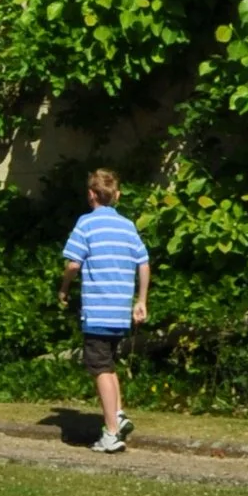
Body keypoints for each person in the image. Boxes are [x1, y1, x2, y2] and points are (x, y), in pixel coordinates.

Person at [61, 168, 151, 453]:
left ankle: (111, 432)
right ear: (118, 196)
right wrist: (141, 300)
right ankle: (118, 414)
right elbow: (144, 262)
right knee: (108, 365)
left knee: (99, 368)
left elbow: (73, 264)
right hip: (120, 311)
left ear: (90, 195)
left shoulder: (86, 224)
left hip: (98, 310)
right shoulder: (127, 226)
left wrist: (64, 287)